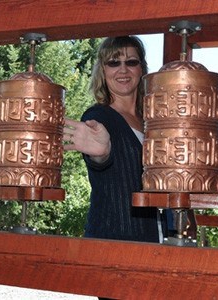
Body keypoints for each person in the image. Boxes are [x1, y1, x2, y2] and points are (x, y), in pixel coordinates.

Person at [63, 36, 160, 243]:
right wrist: (102, 154)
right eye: (113, 62)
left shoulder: (154, 120)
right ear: (103, 71)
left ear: (141, 68)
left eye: (131, 62)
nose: (123, 70)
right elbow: (99, 160)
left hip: (153, 236)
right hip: (111, 239)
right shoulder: (98, 117)